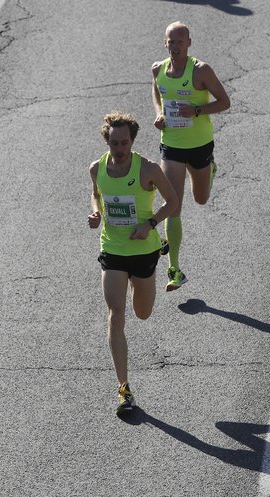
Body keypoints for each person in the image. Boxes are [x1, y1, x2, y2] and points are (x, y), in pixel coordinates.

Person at [88, 112, 180, 414]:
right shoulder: (96, 168)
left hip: (143, 250)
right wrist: (97, 214)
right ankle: (123, 389)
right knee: (116, 312)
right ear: (106, 140)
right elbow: (96, 195)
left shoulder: (148, 169)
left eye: (124, 142)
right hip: (113, 249)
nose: (119, 148)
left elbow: (173, 201)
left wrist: (151, 223)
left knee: (142, 312)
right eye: (114, 142)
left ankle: (158, 253)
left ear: (133, 140)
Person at [151, 21, 231, 291]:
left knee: (201, 198)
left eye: (180, 42)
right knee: (173, 206)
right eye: (171, 42)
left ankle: (209, 170)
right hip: (171, 145)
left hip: (199, 145)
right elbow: (157, 91)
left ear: (189, 43)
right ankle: (175, 269)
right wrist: (159, 114)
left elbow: (224, 102)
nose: (175, 46)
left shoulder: (201, 71)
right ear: (165, 43)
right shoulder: (158, 70)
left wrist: (196, 111)